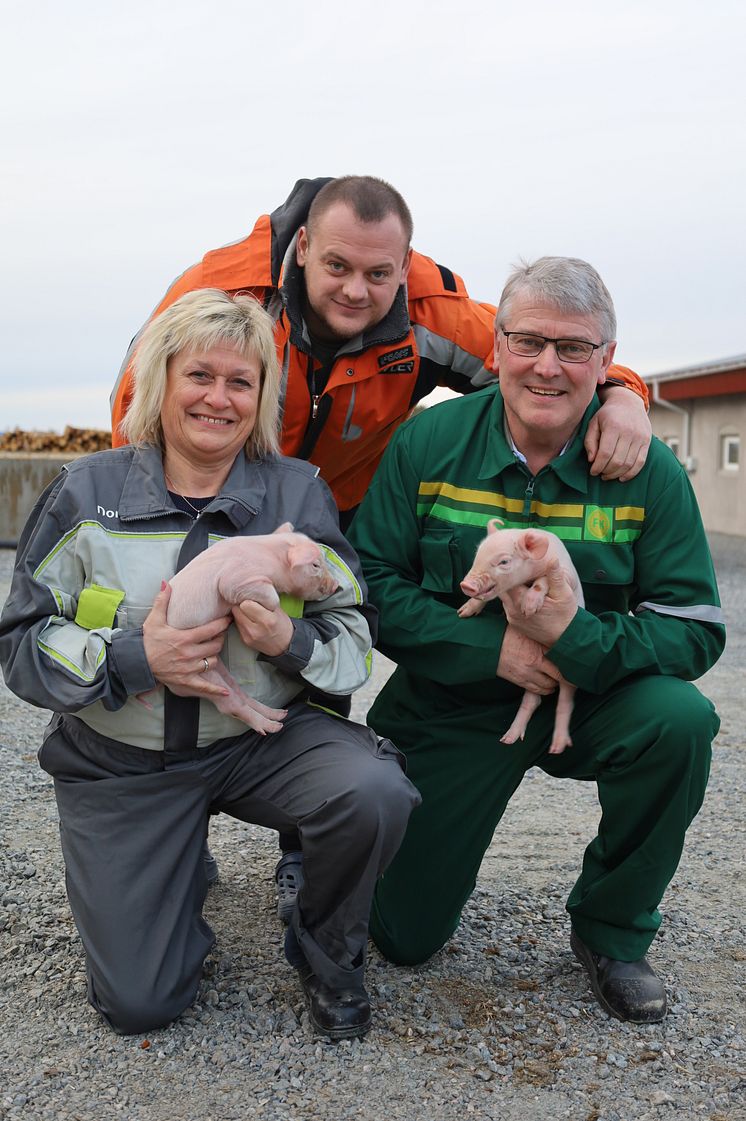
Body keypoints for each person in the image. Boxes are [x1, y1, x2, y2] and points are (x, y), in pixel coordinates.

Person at [109, 175, 654, 915]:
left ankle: (307, 838)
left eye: (378, 272)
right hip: (209, 493)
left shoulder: (431, 310)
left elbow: (539, 353)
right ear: (302, 250)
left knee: (318, 666)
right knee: (186, 635)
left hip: (329, 515)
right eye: (337, 266)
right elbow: (142, 398)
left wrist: (623, 390)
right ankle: (176, 821)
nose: (357, 289)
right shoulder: (225, 291)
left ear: (405, 267)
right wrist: (161, 523)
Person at [0, 289, 419, 1041]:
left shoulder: (298, 492)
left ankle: (326, 951)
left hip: (262, 741)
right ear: (161, 380)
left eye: (241, 381)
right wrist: (136, 655)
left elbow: (354, 631)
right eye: (200, 375)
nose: (218, 399)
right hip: (125, 761)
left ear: (262, 398)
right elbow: (21, 643)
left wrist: (288, 645)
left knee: (372, 788)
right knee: (140, 1004)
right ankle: (172, 868)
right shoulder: (85, 494)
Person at [349, 256, 725, 1023]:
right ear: (495, 350)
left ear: (606, 362)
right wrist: (494, 652)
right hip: (453, 705)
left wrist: (576, 642)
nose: (548, 366)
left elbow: (695, 628)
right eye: (527, 342)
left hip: (589, 698)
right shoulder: (429, 444)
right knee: (403, 938)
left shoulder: (646, 469)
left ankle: (613, 930)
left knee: (680, 721)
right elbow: (372, 583)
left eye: (575, 348)